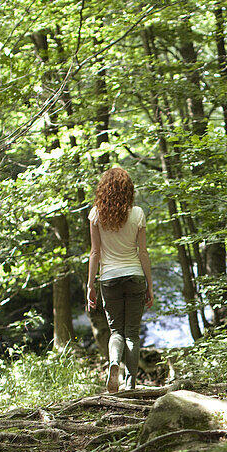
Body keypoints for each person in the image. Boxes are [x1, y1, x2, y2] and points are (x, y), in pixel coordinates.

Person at [86, 166, 153, 393]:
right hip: (134, 276)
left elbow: (95, 252)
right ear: (128, 189)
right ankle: (130, 382)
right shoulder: (137, 213)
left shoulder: (96, 214)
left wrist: (90, 286)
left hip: (109, 278)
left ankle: (114, 362)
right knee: (132, 334)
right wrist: (150, 286)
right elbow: (143, 252)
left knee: (116, 332)